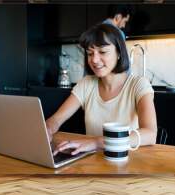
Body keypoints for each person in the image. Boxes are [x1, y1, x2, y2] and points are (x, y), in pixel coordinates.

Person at [46, 23, 157, 156]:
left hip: (125, 161)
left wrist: (97, 142)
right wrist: (47, 128)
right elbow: (56, 120)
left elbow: (150, 134)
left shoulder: (138, 85)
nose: (94, 59)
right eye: (90, 53)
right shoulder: (86, 84)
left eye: (103, 52)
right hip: (90, 161)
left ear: (119, 53)